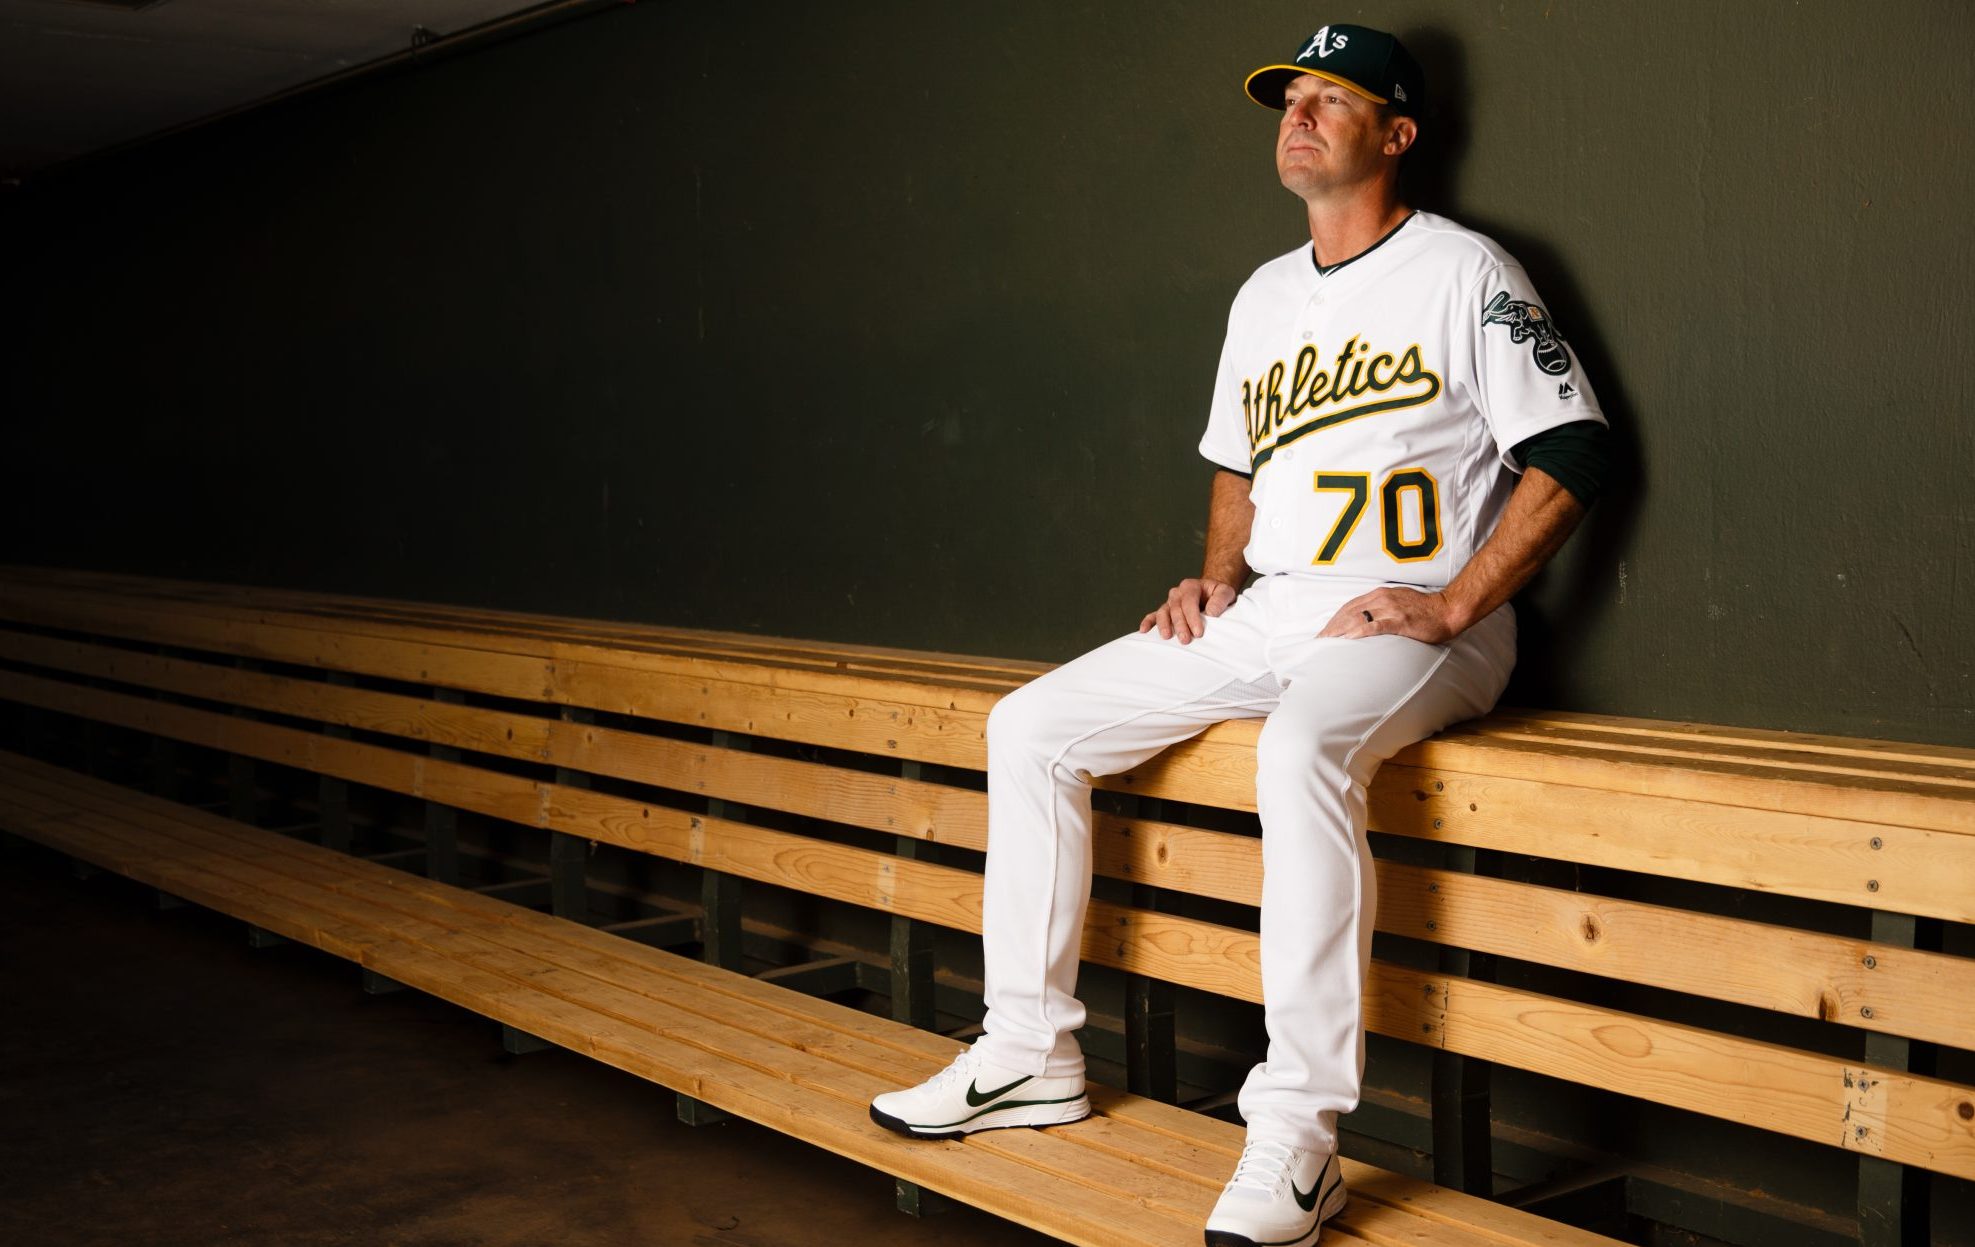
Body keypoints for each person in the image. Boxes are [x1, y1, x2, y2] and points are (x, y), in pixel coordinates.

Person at [871, 22, 1609, 1247]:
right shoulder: (1264, 292)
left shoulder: (1465, 270)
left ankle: (1298, 1140)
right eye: (1290, 99)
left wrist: (1457, 602)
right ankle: (1027, 1054)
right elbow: (1236, 463)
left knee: (1296, 752)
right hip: (1272, 608)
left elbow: (1575, 449)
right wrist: (1212, 580)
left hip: (1410, 622)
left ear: (1398, 132)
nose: (1299, 116)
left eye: (1333, 99)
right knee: (1031, 726)